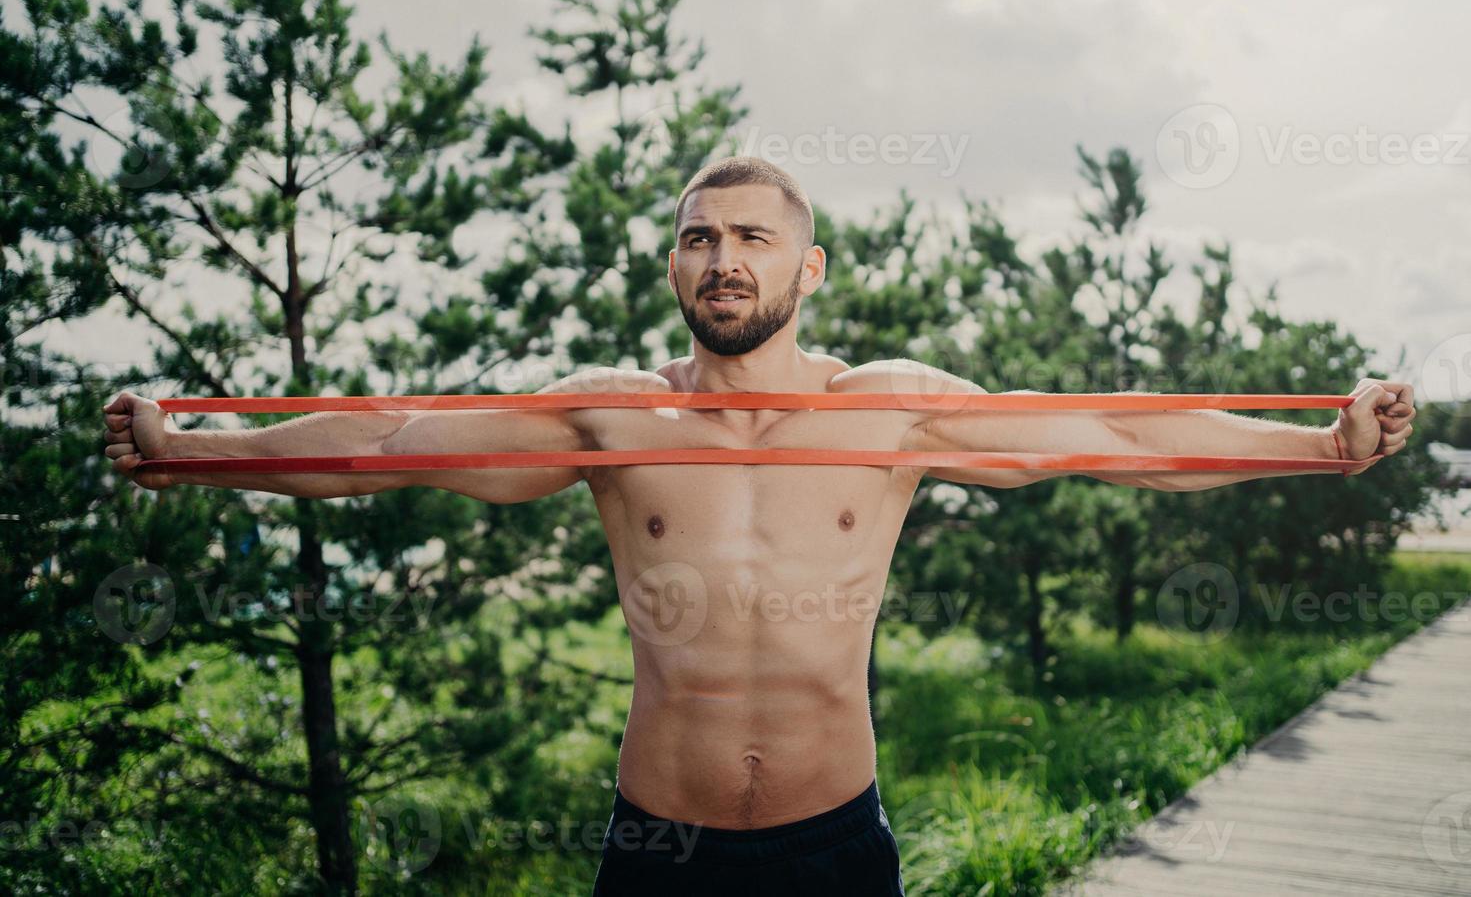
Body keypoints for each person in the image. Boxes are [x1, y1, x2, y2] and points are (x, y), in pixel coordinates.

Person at [102, 157, 1416, 896]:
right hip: (656, 847)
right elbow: (386, 443)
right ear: (672, 268)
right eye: (696, 240)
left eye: (750, 237)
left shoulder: (893, 411)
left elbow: (1121, 439)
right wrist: (198, 455)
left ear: (808, 268)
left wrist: (1323, 447)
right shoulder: (611, 416)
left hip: (834, 846)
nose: (722, 258)